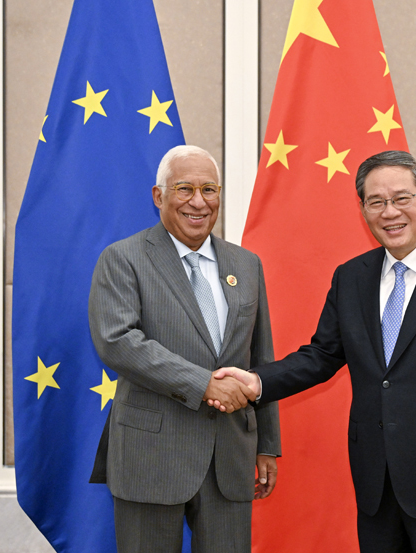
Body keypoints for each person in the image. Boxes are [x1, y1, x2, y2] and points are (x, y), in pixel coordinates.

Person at [211, 150, 416, 552]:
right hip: (377, 483)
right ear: (362, 210)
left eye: (401, 198)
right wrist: (256, 382)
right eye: (376, 202)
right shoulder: (352, 277)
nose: (390, 211)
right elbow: (321, 356)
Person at [88, 145, 280, 553]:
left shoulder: (246, 265)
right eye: (185, 189)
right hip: (151, 455)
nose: (199, 201)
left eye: (209, 189)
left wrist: (266, 444)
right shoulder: (123, 258)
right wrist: (203, 384)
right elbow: (118, 342)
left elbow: (261, 357)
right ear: (159, 196)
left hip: (230, 456)